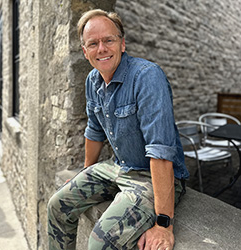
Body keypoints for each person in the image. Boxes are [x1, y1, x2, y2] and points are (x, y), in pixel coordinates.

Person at [48, 9, 189, 250]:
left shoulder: (147, 77)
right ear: (85, 51)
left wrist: (164, 224)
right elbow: (94, 131)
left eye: (108, 40)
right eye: (93, 43)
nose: (101, 49)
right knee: (56, 206)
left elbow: (161, 150)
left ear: (122, 44)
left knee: (99, 243)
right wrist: (85, 173)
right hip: (117, 166)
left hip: (149, 176)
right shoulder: (92, 80)